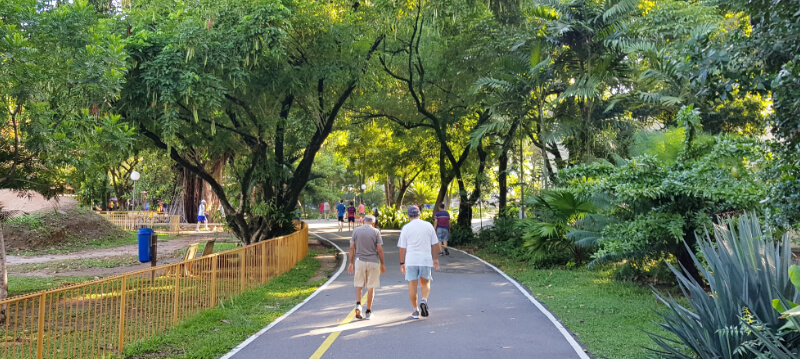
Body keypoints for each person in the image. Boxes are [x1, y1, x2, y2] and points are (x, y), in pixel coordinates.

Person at [398, 205, 439, 319]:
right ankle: (424, 300)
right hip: (425, 259)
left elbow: (402, 248)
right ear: (420, 214)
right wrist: (435, 259)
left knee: (412, 285)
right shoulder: (428, 225)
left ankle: (415, 310)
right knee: (425, 283)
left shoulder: (406, 228)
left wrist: (402, 263)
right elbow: (435, 244)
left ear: (408, 215)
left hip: (411, 260)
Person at [347, 215, 385, 320]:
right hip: (373, 262)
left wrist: (351, 262)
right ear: (373, 223)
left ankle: (358, 304)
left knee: (359, 285)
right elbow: (380, 249)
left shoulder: (356, 231)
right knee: (370, 287)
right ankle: (368, 312)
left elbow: (351, 247)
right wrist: (382, 264)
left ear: (363, 221)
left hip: (359, 261)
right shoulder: (376, 232)